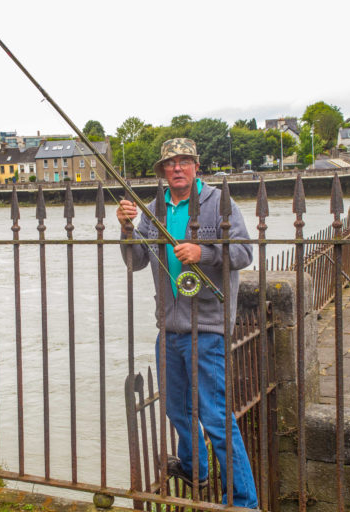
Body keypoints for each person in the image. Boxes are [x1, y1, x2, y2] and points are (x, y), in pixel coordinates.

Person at [116, 138, 257, 508]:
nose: (177, 168)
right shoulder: (153, 210)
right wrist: (127, 229)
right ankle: (196, 468)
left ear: (196, 166)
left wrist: (203, 252)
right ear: (162, 170)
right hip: (170, 327)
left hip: (207, 328)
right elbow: (136, 262)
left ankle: (243, 501)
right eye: (170, 162)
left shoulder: (219, 203)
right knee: (175, 408)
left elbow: (243, 252)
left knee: (215, 418)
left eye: (184, 161)